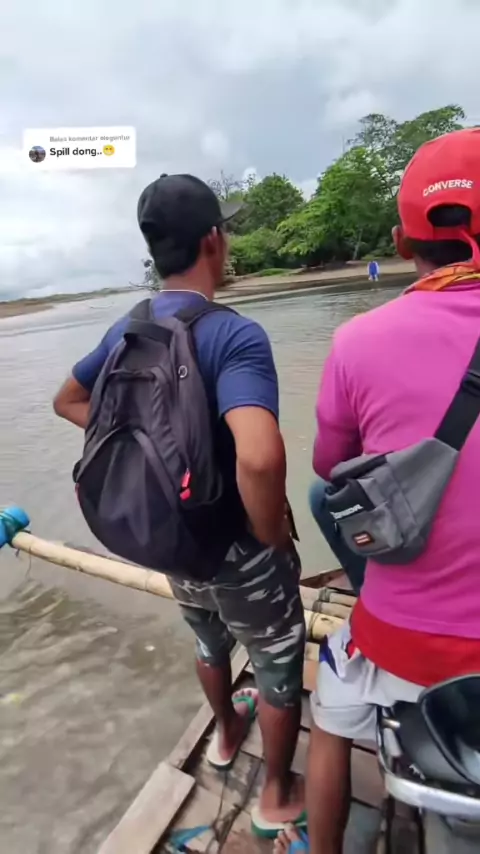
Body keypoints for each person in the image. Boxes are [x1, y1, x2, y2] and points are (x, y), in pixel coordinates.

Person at [53, 173, 306, 834]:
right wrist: (271, 534)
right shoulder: (234, 336)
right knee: (277, 658)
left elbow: (69, 400)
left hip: (169, 534)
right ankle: (276, 794)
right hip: (236, 544)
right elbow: (258, 457)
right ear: (215, 241)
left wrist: (150, 465)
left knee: (207, 638)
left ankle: (226, 733)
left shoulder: (128, 327)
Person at [291, 128, 480, 854]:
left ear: (402, 244)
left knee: (330, 708)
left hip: (408, 650)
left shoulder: (358, 341)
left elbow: (330, 467)